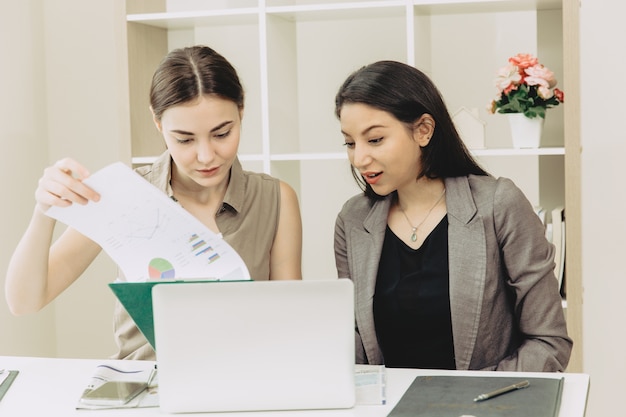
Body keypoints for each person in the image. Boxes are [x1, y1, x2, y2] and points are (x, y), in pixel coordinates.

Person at [5, 45, 303, 360]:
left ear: (241, 112)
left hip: (244, 386)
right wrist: (44, 213)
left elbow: (290, 322)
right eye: (185, 139)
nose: (205, 156)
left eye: (221, 134)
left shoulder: (275, 199)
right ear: (158, 123)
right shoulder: (123, 196)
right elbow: (24, 303)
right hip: (145, 390)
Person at [333, 60, 572, 372]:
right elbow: (356, 340)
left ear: (423, 130)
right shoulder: (353, 219)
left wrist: (469, 396)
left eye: (375, 139)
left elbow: (548, 342)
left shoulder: (498, 205)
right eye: (350, 143)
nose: (359, 158)